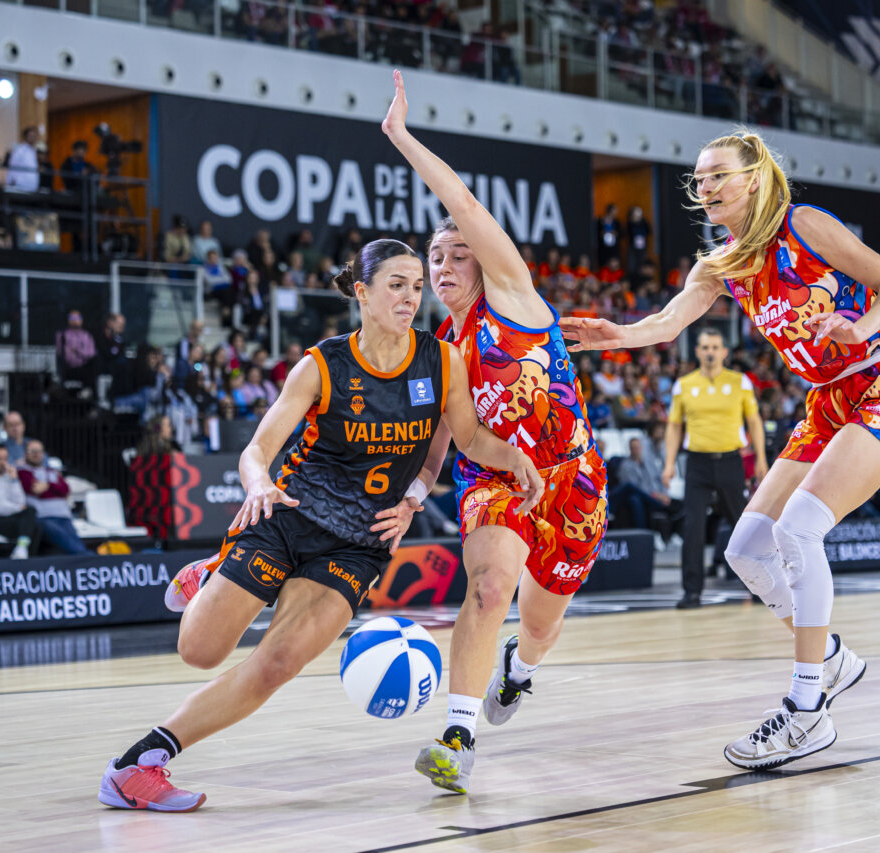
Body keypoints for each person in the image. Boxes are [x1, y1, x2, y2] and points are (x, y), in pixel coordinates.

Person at [97, 238, 543, 812]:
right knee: (200, 652)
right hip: (286, 519)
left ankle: (137, 765)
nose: (411, 297)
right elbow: (257, 450)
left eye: (415, 285)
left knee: (278, 664)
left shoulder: (441, 360)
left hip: (360, 543)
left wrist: (515, 459)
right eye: (396, 285)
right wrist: (258, 483)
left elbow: (469, 438)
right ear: (362, 292)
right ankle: (211, 572)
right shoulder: (322, 364)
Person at [561, 129, 880, 770]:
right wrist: (616, 334)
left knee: (798, 530)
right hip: (826, 404)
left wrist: (859, 325)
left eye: (716, 176)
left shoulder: (806, 225)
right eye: (698, 179)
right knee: (745, 548)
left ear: (754, 179)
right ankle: (833, 660)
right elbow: (666, 323)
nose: (704, 188)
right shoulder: (721, 264)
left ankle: (806, 708)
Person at [382, 71, 608, 794]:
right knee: (487, 588)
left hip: (574, 479)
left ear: (485, 259)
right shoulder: (444, 346)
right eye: (433, 258)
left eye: (455, 253)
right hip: (496, 476)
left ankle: (521, 670)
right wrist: (420, 489)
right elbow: (450, 433)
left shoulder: (514, 295)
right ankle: (458, 733)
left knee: (539, 625)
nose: (441, 265)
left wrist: (401, 137)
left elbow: (465, 203)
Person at [664, 327, 766, 608]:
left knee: (744, 526)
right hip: (697, 463)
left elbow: (754, 421)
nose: (710, 352)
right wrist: (669, 463)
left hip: (731, 461)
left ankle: (761, 588)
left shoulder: (740, 382)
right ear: (697, 352)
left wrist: (761, 459)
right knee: (693, 527)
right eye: (705, 347)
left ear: (724, 352)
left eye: (714, 347)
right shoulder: (683, 384)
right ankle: (692, 592)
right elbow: (674, 426)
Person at [17, 440, 87, 554]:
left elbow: (65, 490)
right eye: (32, 451)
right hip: (44, 517)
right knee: (68, 543)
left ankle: (85, 559)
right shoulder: (23, 472)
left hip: (63, 516)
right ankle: (87, 558)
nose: (36, 454)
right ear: (25, 454)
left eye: (39, 451)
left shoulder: (53, 471)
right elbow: (34, 489)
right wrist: (55, 489)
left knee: (73, 540)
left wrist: (48, 486)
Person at [56, 310, 97, 386]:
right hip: (67, 368)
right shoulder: (62, 335)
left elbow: (91, 352)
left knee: (92, 374)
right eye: (73, 319)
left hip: (84, 367)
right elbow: (64, 354)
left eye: (77, 319)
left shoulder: (86, 335)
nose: (75, 322)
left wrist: (78, 351)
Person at [5, 126, 41, 192]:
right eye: (31, 136)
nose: (33, 138)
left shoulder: (33, 151)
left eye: (34, 136)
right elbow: (13, 165)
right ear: (26, 137)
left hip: (31, 187)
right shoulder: (20, 150)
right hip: (21, 186)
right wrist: (11, 181)